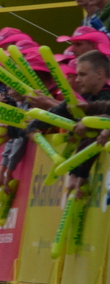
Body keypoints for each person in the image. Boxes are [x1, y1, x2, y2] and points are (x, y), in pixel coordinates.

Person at [29, 50, 110, 196]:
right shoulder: (88, 97)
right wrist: (31, 126)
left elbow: (93, 133)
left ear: (99, 73)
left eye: (82, 74)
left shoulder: (105, 94)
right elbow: (63, 110)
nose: (78, 80)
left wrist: (79, 173)